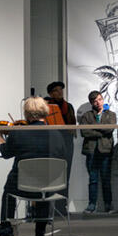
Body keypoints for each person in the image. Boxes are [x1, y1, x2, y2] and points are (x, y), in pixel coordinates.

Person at [0, 96, 66, 236]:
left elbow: (6, 153)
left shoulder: (18, 133)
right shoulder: (57, 134)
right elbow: (61, 155)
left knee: (8, 192)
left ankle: (6, 229)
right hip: (50, 185)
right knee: (43, 189)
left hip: (22, 187)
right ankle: (40, 232)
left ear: (26, 113)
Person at [80, 90, 116, 213]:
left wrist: (94, 127)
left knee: (106, 179)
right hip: (91, 151)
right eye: (95, 101)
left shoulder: (111, 114)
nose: (98, 102)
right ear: (91, 103)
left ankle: (108, 205)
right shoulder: (86, 116)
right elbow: (84, 132)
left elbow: (110, 129)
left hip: (105, 150)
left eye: (100, 99)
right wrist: (101, 131)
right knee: (93, 180)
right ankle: (91, 204)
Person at [45, 81, 76, 210]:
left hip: (66, 141)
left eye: (60, 90)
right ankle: (48, 206)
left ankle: (61, 206)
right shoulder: (46, 106)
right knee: (52, 173)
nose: (60, 92)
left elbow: (72, 124)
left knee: (65, 173)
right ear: (51, 93)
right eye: (56, 90)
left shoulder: (68, 106)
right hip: (51, 141)